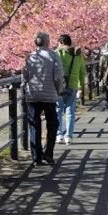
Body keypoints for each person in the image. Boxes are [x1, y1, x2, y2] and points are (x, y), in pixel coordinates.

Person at [23, 32, 64, 166]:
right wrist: (58, 91)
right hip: (49, 95)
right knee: (53, 123)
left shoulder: (30, 56)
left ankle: (36, 157)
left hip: (32, 94)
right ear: (47, 42)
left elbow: (25, 76)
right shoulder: (53, 55)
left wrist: (25, 89)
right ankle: (49, 153)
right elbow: (58, 76)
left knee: (34, 124)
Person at [56, 34, 87, 146]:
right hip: (73, 85)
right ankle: (68, 136)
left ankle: (59, 135)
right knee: (70, 112)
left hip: (59, 85)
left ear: (60, 42)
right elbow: (82, 71)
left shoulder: (57, 53)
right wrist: (80, 85)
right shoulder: (77, 54)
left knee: (58, 110)